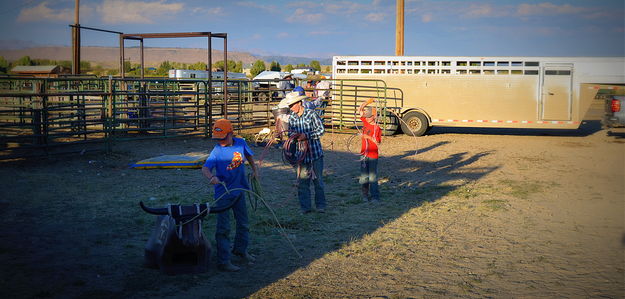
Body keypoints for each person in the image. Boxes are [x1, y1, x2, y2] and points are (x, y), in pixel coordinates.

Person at [202, 119, 258, 272]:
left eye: (223, 138)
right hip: (224, 194)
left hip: (240, 191)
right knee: (223, 227)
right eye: (218, 138)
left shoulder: (240, 143)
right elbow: (206, 168)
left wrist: (254, 170)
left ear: (231, 134)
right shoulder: (217, 151)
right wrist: (212, 177)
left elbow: (249, 155)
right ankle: (224, 260)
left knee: (243, 223)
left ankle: (240, 250)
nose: (220, 141)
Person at [283, 91, 326, 214]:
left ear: (299, 103)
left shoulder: (311, 114)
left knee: (318, 181)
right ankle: (305, 208)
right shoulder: (292, 118)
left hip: (315, 154)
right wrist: (293, 139)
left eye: (292, 105)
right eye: (290, 106)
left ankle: (320, 206)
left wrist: (306, 135)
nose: (291, 108)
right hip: (301, 155)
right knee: (303, 183)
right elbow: (290, 134)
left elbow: (321, 130)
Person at [358, 98, 382, 202]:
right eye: (366, 116)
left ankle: (375, 197)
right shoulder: (365, 122)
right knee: (364, 177)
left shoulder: (377, 128)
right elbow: (359, 110)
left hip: (372, 156)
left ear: (374, 116)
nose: (367, 118)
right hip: (364, 154)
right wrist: (368, 102)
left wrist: (366, 137)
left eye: (369, 117)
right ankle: (365, 195)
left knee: (372, 177)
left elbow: (378, 142)